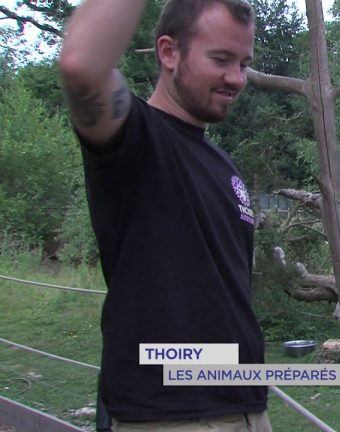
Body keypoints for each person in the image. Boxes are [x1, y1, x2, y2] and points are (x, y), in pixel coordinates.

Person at [58, 1, 270, 430]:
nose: (237, 78)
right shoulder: (137, 139)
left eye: (244, 63)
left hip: (244, 408)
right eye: (221, 59)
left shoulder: (221, 164)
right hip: (169, 415)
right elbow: (82, 66)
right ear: (169, 52)